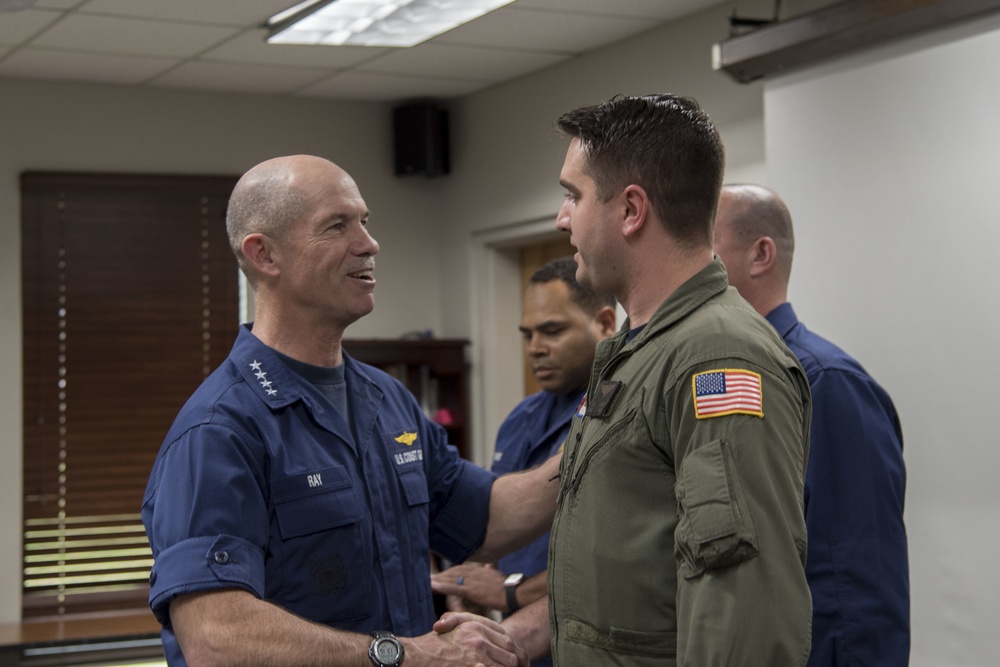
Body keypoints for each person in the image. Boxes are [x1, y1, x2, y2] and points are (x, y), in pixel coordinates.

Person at [141, 154, 561, 667]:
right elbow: (217, 637)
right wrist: (405, 655)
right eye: (337, 226)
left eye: (364, 221)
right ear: (264, 255)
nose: (368, 243)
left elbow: (488, 519)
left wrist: (593, 438)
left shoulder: (386, 400)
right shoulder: (220, 429)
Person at [440, 93, 815, 665]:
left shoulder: (716, 357)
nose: (562, 217)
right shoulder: (638, 350)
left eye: (573, 195)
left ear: (632, 210)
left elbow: (742, 606)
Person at [713, 183, 910, 666]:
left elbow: (854, 589)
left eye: (703, 243)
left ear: (761, 255)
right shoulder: (719, 378)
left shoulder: (826, 384)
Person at [431, 256, 616, 667]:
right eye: (527, 334)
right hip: (520, 647)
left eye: (552, 330)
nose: (535, 347)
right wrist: (469, 588)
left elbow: (619, 564)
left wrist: (508, 590)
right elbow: (498, 525)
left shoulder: (621, 414)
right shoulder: (520, 419)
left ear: (605, 323)